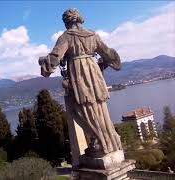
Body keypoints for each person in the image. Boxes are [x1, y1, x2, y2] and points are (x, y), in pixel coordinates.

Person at [39, 8, 122, 156]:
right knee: (99, 105)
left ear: (66, 22)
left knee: (79, 108)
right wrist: (113, 61)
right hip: (93, 70)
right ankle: (110, 141)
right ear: (79, 19)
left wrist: (44, 63)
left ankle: (101, 142)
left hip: (79, 73)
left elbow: (55, 58)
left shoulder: (66, 37)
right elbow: (108, 53)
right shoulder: (92, 34)